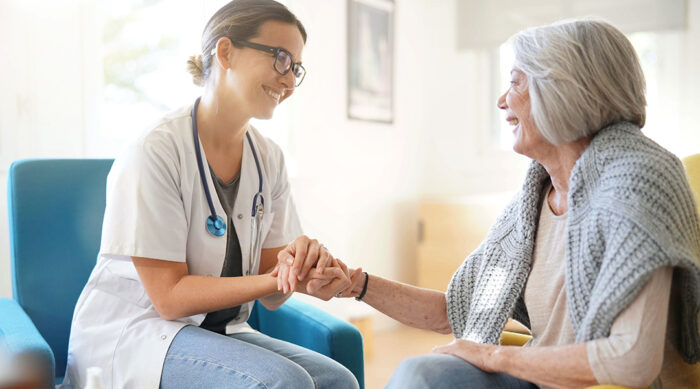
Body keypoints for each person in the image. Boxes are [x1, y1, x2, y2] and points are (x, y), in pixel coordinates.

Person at [284, 19, 700, 388]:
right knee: (421, 374)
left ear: (563, 91)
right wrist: (355, 283)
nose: (502, 100)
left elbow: (631, 362)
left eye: (516, 82)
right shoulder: (532, 203)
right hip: (538, 377)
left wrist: (492, 355)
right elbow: (458, 310)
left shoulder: (639, 183)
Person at [61, 1, 359, 388]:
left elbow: (273, 291)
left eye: (296, 68)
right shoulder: (156, 150)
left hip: (220, 332)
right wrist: (277, 279)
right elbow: (168, 298)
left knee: (338, 381)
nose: (288, 81)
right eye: (281, 59)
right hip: (144, 333)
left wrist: (305, 269)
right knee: (284, 383)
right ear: (226, 51)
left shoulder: (268, 158)